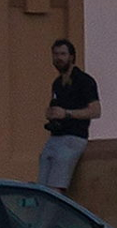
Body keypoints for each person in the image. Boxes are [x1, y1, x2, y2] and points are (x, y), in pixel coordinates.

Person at [38, 38, 100, 193]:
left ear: (71, 57)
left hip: (73, 137)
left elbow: (95, 111)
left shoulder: (84, 81)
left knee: (55, 187)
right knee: (41, 187)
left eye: (63, 54)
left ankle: (54, 208)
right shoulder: (57, 83)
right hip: (55, 136)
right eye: (55, 54)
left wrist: (67, 114)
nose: (58, 58)